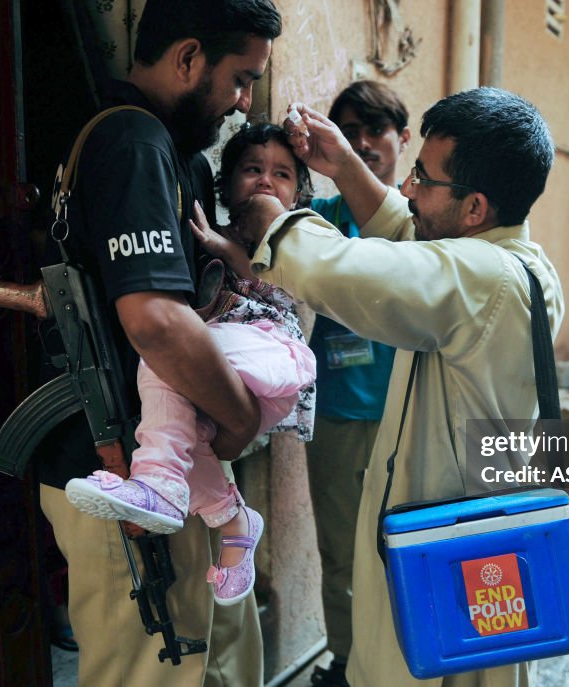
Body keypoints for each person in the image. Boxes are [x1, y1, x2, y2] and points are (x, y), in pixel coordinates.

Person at [234, 87, 564, 686]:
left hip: (449, 556)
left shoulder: (481, 280)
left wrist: (275, 226)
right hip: (471, 537)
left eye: (423, 177)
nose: (408, 188)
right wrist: (347, 167)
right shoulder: (519, 264)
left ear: (474, 208)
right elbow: (409, 238)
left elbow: (353, 274)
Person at [34, 1, 282, 684]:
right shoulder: (132, 143)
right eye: (239, 78)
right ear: (188, 58)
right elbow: (156, 320)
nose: (243, 102)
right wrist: (240, 417)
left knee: (221, 655)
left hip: (176, 464)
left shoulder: (169, 154)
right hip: (124, 474)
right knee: (151, 670)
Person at [64, 123, 317, 606]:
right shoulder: (209, 226)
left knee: (168, 354)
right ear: (225, 182)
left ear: (300, 191)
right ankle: (233, 519)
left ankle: (157, 483)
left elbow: (288, 289)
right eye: (252, 169)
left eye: (282, 174)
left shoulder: (297, 237)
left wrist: (231, 254)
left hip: (273, 352)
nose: (266, 181)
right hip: (234, 359)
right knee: (185, 425)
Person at [302, 80, 408, 687]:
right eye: (352, 131)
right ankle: (346, 663)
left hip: (410, 417)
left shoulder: (423, 226)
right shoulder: (318, 220)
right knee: (342, 553)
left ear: (403, 139)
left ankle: (401, 661)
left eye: (377, 131)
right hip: (339, 414)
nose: (365, 144)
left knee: (401, 550)